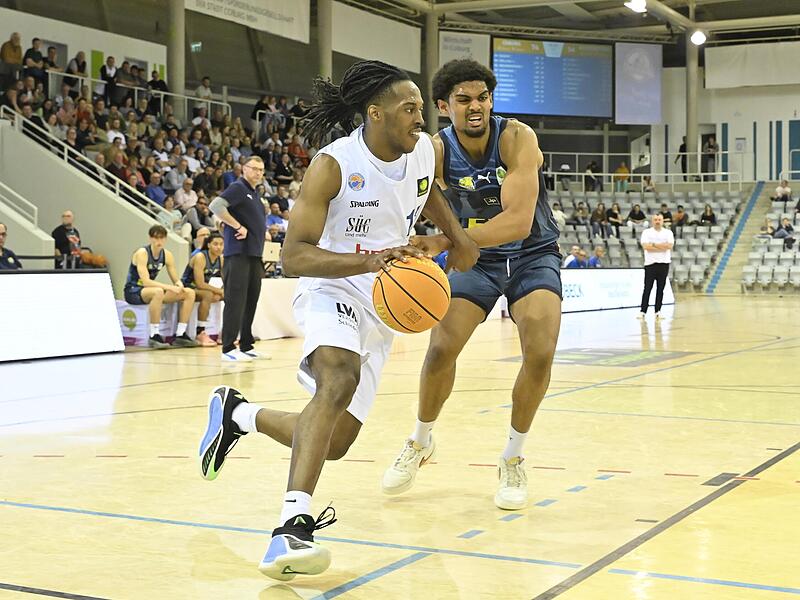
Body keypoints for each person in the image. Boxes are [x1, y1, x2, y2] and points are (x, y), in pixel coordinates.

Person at [197, 60, 478, 580]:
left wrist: (456, 237)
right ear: (375, 114)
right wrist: (367, 261)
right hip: (331, 284)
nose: (420, 119)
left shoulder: (419, 151)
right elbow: (293, 258)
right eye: (409, 109)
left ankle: (237, 415)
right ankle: (289, 528)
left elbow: (427, 191)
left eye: (421, 108)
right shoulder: (333, 165)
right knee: (338, 378)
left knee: (339, 441)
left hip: (382, 297)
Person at [380, 58, 562, 512]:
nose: (475, 106)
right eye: (463, 99)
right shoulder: (435, 150)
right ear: (444, 106)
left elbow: (519, 222)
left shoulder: (518, 138)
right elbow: (407, 196)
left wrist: (442, 239)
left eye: (482, 97)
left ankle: (513, 457)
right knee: (441, 347)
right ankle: (420, 441)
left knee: (539, 352)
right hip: (474, 261)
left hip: (531, 255)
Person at [208, 155, 269, 362]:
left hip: (254, 254)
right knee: (235, 301)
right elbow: (216, 206)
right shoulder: (238, 187)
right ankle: (227, 348)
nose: (258, 173)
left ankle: (246, 344)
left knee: (251, 300)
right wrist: (237, 226)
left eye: (261, 170)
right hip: (238, 254)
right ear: (244, 169)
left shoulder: (254, 193)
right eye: (254, 168)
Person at [123, 224, 198, 348]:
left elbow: (175, 279)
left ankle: (180, 334)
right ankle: (154, 335)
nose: (159, 241)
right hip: (133, 290)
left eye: (162, 238)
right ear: (150, 238)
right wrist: (169, 287)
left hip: (150, 291)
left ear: (165, 239)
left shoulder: (167, 255)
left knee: (189, 292)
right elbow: (146, 281)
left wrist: (179, 285)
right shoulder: (142, 253)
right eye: (156, 238)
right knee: (158, 291)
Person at [181, 231, 224, 347]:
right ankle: (200, 332)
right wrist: (219, 291)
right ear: (209, 245)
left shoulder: (221, 259)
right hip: (188, 287)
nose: (219, 247)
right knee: (208, 295)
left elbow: (226, 280)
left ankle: (225, 332)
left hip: (202, 289)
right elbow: (200, 284)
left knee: (229, 295)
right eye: (215, 244)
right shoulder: (200, 257)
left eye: (221, 244)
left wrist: (224, 291)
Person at [638, 213, 673, 320]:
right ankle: (643, 311)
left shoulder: (668, 232)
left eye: (659, 219)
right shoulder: (646, 232)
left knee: (660, 289)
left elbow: (669, 246)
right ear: (652, 221)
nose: (657, 221)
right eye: (655, 219)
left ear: (662, 221)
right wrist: (661, 246)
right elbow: (646, 247)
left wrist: (653, 244)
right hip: (650, 264)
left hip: (664, 263)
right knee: (647, 288)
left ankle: (658, 311)